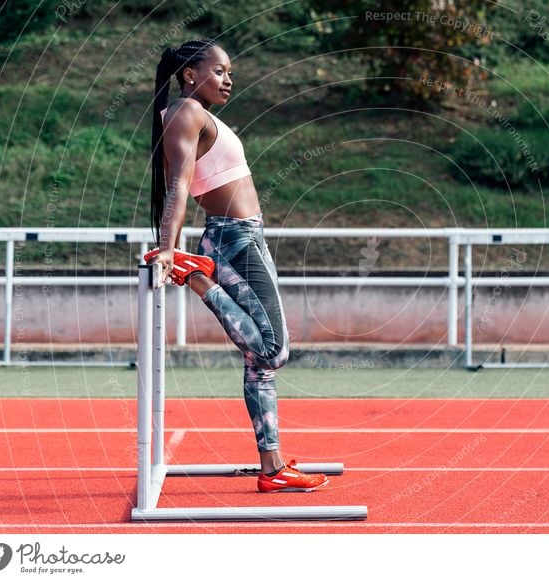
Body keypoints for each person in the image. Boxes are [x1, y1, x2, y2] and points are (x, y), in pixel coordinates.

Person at [145, 38, 327, 493]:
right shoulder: (185, 112)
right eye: (220, 70)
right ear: (190, 73)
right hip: (233, 238)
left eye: (230, 73)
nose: (229, 80)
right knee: (272, 350)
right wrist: (169, 247)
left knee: (260, 362)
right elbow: (179, 187)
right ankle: (197, 277)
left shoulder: (198, 115)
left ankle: (272, 469)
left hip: (244, 235)